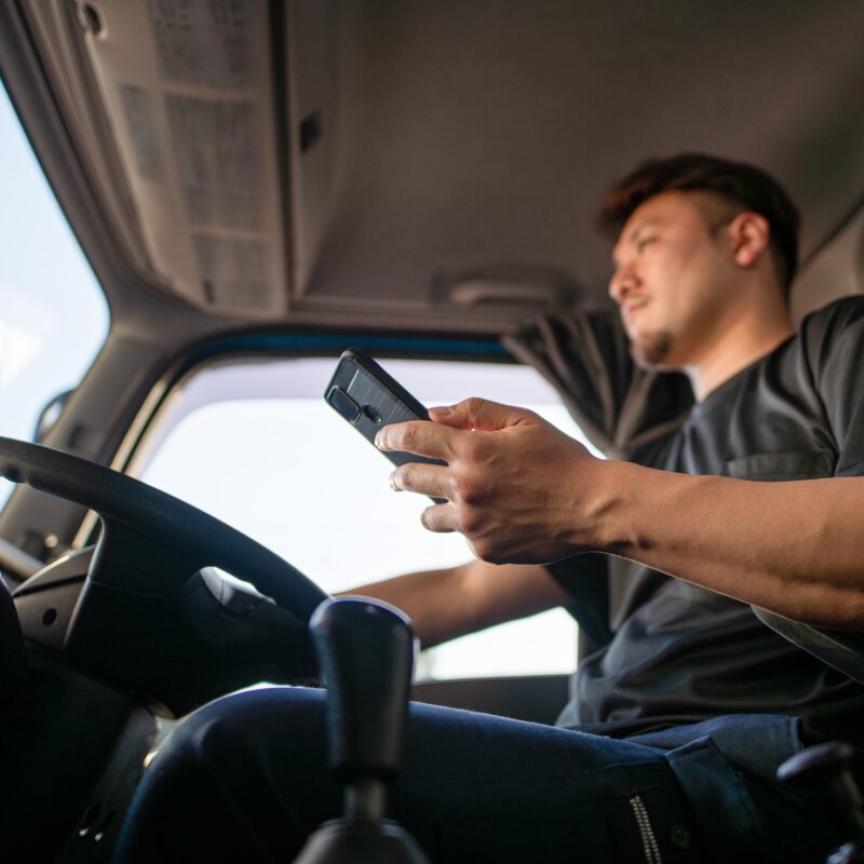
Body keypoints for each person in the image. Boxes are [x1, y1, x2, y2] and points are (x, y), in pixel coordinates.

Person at [113, 154, 864, 863]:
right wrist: (261, 628)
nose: (618, 282)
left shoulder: (837, 348)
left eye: (647, 243)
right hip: (613, 757)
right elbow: (461, 591)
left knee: (237, 753)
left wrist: (588, 497)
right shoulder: (646, 464)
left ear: (745, 237)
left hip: (746, 786)